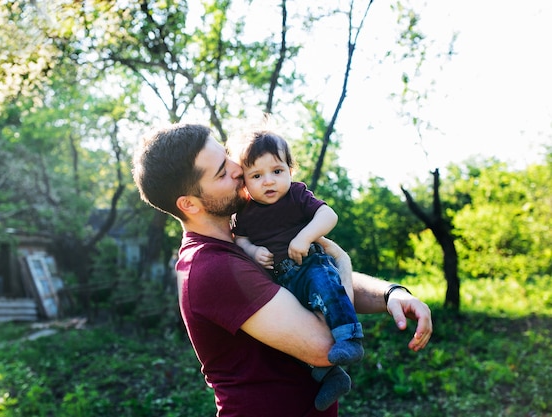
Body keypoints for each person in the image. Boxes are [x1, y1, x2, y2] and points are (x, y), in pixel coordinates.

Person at [132, 122, 433, 417]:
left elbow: (311, 281)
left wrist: (390, 294)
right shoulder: (215, 268)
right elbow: (325, 345)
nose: (238, 168)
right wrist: (342, 261)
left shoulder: (247, 236)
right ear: (190, 204)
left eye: (226, 156)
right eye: (222, 172)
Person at [228, 129, 363, 411]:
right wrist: (253, 251)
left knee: (327, 288)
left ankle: (349, 336)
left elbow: (328, 215)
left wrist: (305, 237)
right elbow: (240, 239)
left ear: (291, 170)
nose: (269, 181)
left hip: (309, 262)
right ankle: (330, 375)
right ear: (245, 182)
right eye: (257, 176)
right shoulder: (245, 212)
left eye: (277, 171)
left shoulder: (297, 196)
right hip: (281, 279)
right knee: (288, 335)